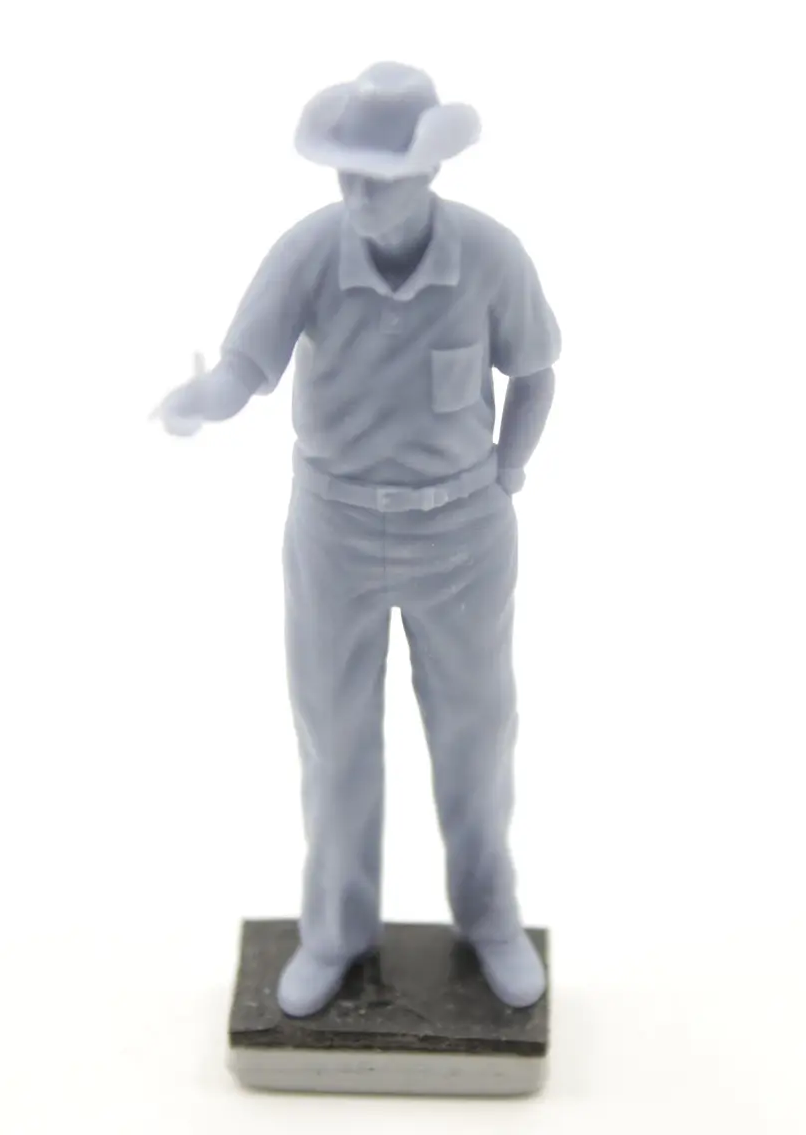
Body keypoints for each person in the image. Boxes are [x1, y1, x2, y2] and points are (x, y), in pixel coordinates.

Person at [154, 63, 560, 1017]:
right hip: (334, 530)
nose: (356, 195)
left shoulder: (490, 255)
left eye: (378, 178)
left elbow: (536, 370)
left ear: (429, 173)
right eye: (346, 175)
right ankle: (336, 930)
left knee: (475, 735)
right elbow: (246, 363)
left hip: (461, 533)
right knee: (334, 739)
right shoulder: (308, 251)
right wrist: (204, 399)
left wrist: (507, 472)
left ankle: (490, 917)